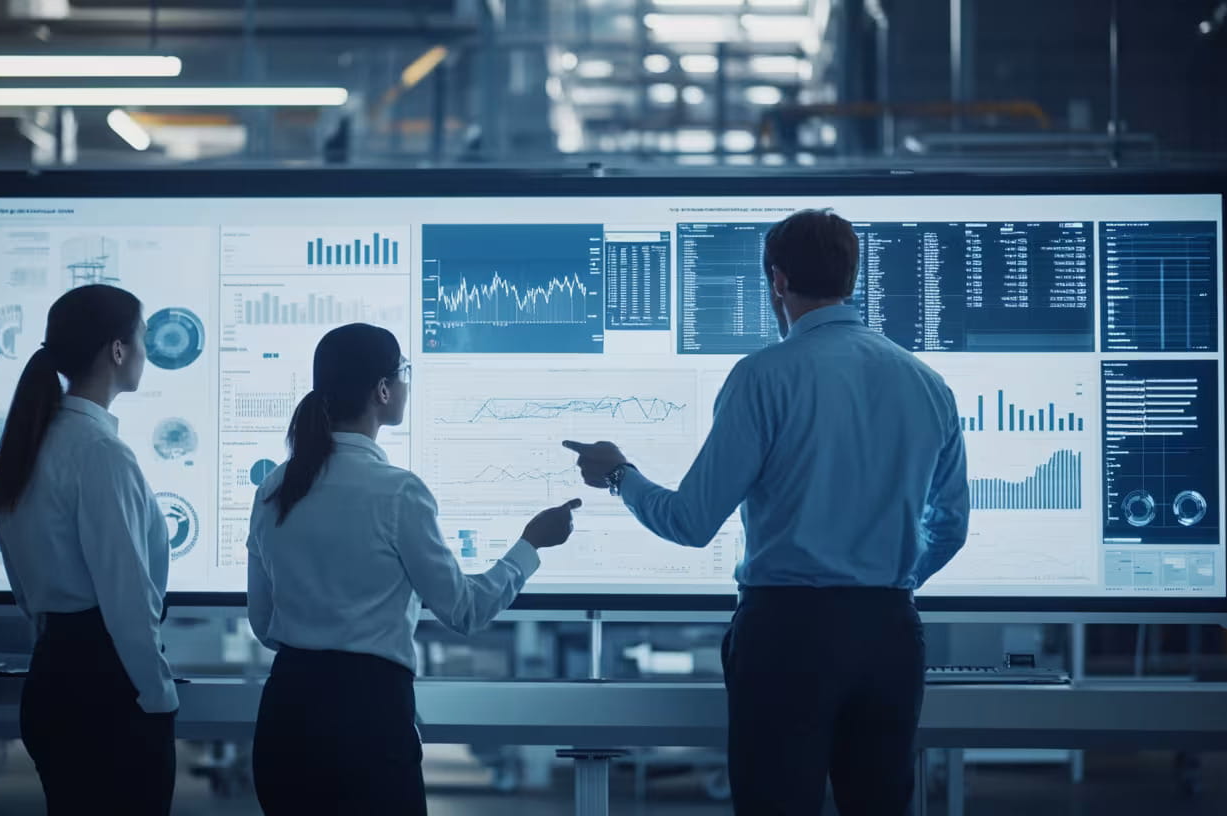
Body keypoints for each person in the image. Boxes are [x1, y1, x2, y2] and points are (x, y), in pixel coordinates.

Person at [563, 210, 970, 816]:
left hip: (789, 633)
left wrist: (620, 475)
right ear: (851, 275)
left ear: (777, 281)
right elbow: (952, 526)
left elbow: (690, 521)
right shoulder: (927, 383)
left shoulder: (764, 377)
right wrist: (885, 581)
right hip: (890, 632)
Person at [247, 323, 582, 816]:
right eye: (403, 373)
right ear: (382, 389)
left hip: (285, 714)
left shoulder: (274, 487)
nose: (405, 384)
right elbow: (465, 610)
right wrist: (530, 545)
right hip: (367, 720)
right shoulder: (397, 492)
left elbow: (263, 622)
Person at [0, 284, 177, 816]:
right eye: (141, 337)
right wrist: (159, 698)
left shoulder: (28, 444)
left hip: (52, 676)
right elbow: (127, 597)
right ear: (117, 350)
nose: (145, 351)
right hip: (107, 692)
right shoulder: (100, 453)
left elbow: (23, 585)